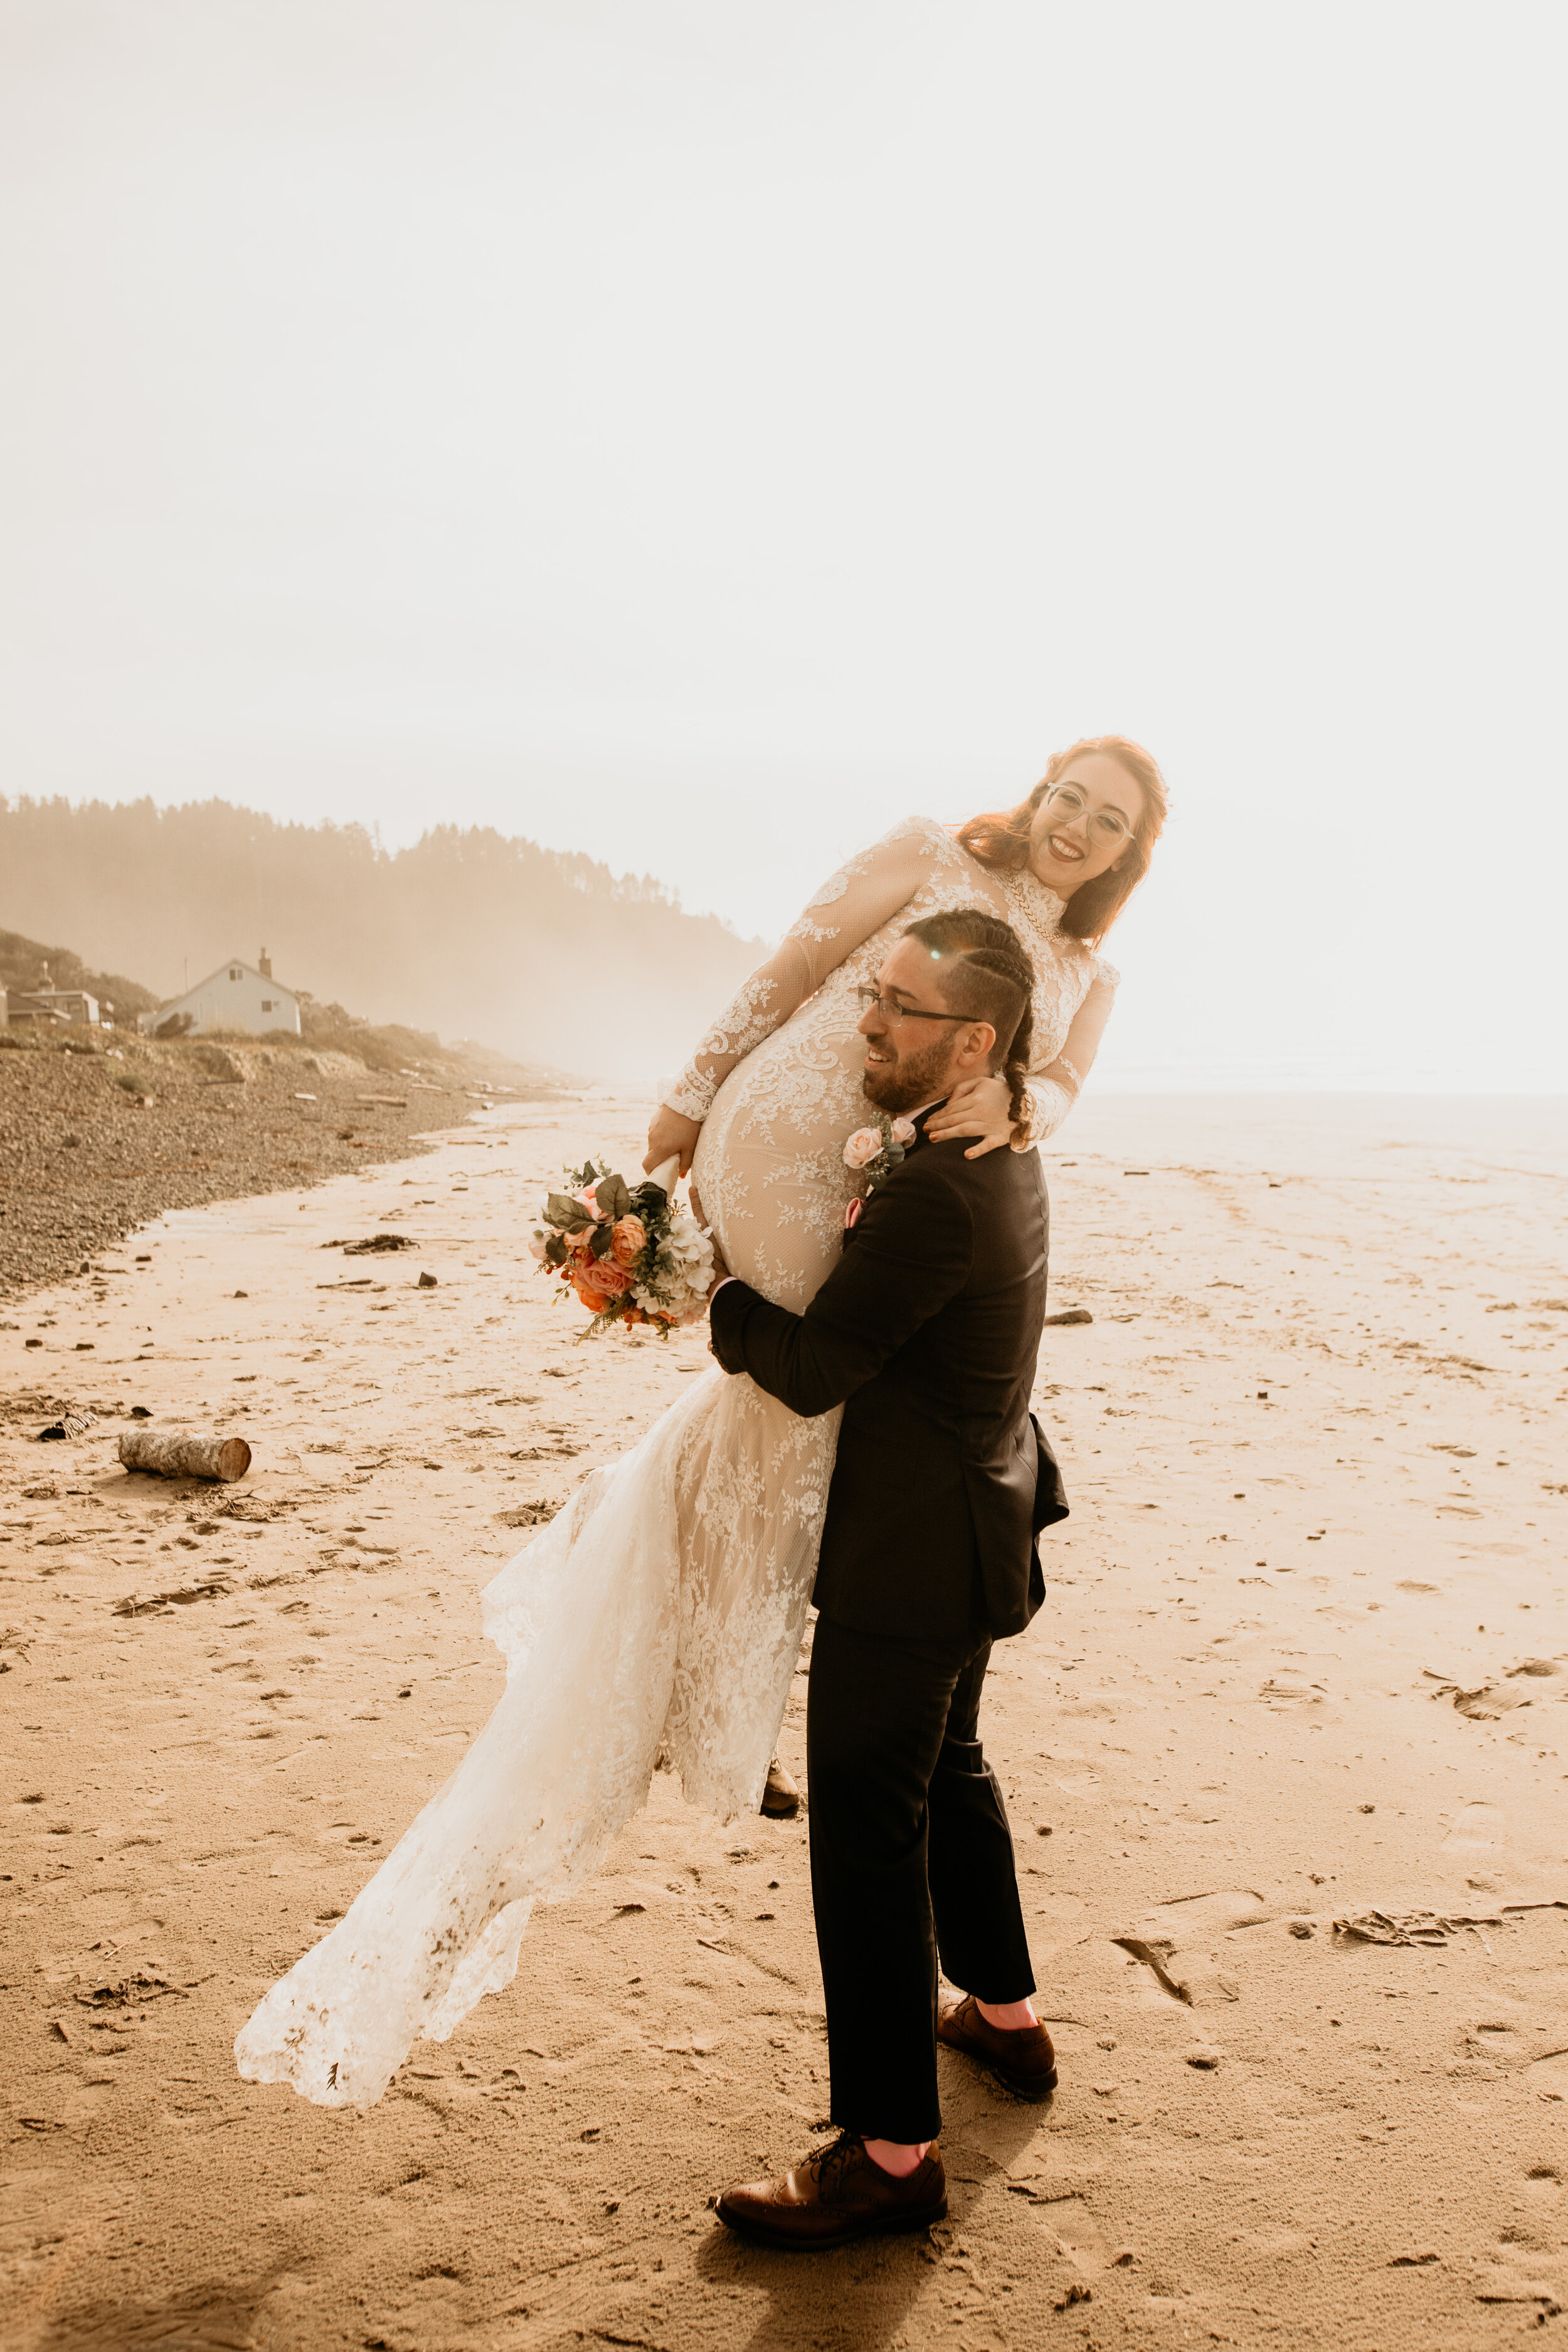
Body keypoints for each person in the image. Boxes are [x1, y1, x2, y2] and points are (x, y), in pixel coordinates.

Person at [234, 738, 1165, 2111]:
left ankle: (887, 2123)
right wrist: (690, 1097)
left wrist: (719, 1286)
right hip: (934, 1394)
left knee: (873, 1748)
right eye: (1068, 795)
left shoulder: (1002, 1099)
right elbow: (792, 965)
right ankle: (1001, 2007)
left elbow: (831, 1342)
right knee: (936, 1733)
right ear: (1034, 795)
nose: (1079, 826)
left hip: (893, 1436)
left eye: (1113, 820)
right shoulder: (929, 869)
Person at [710, 909, 1062, 2250]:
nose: (866, 1018)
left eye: (897, 1004)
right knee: (950, 1770)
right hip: (980, 1515)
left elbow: (808, 1371)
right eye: (872, 990)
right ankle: (1004, 2018)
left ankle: (890, 2158)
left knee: (863, 1837)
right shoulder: (996, 1138)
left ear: (971, 1041)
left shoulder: (936, 1183)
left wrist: (710, 1293)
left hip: (910, 1560)